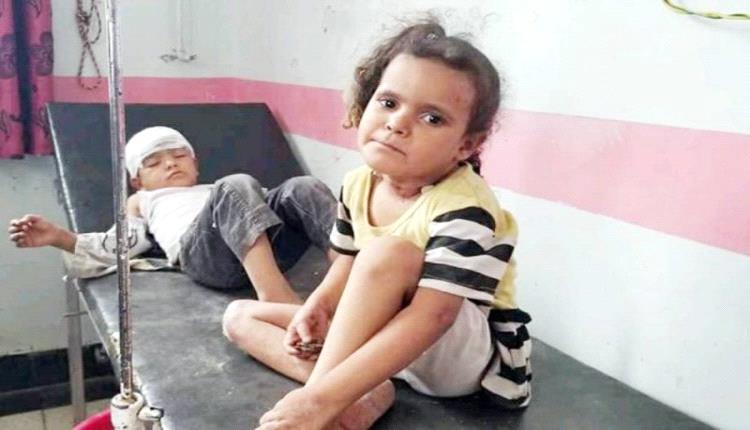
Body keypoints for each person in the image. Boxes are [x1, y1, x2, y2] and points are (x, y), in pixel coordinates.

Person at [221, 20, 533, 430]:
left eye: (432, 118)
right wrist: (319, 306)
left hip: (456, 359)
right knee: (240, 316)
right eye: (388, 102)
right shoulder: (358, 183)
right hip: (389, 340)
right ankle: (359, 392)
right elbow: (348, 262)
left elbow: (435, 316)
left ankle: (323, 402)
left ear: (467, 144)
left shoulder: (466, 207)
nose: (397, 123)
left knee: (389, 252)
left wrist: (315, 402)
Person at [8, 126, 337, 304]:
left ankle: (350, 272)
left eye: (179, 155)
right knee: (235, 184)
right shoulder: (142, 200)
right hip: (207, 258)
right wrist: (59, 237)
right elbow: (121, 244)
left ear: (196, 165)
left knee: (302, 187)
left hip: (265, 246)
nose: (170, 163)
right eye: (154, 163)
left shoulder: (215, 189)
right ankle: (276, 297)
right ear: (138, 180)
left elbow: (266, 208)